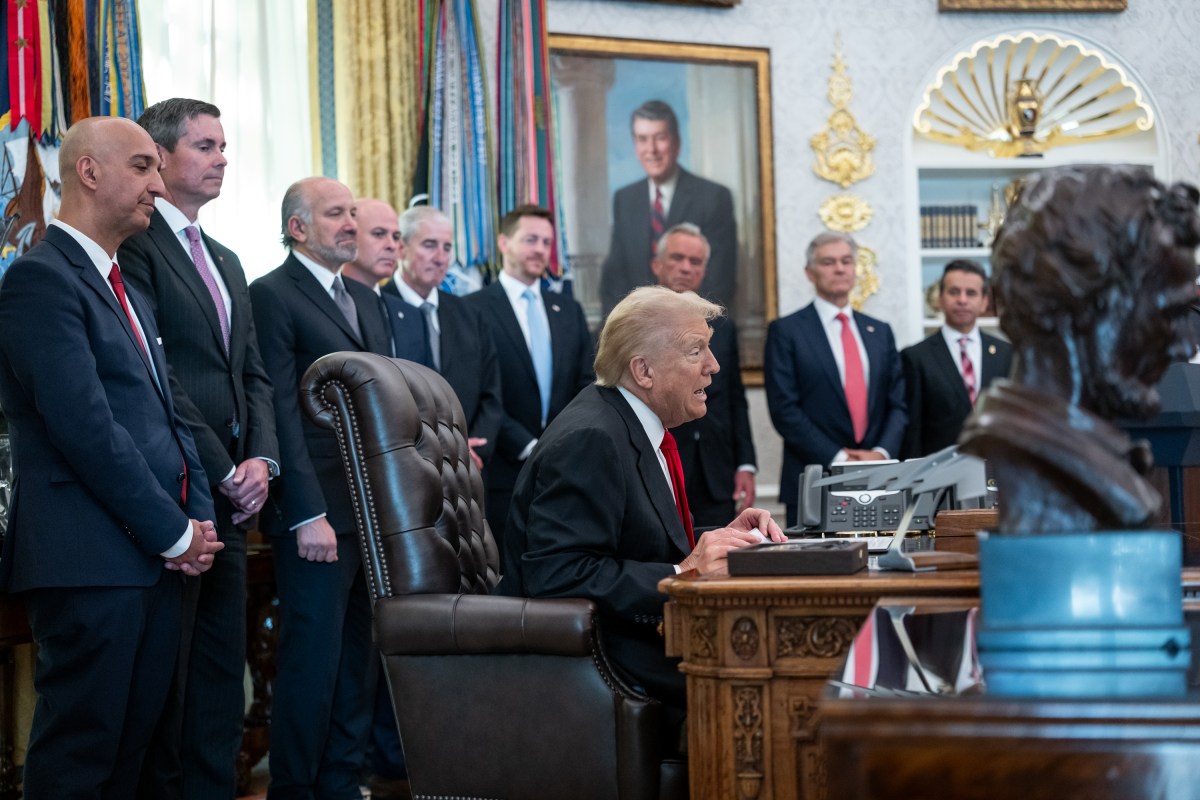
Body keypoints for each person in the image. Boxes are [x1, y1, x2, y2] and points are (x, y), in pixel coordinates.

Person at [0, 116, 222, 798]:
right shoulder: (39, 281)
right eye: (143, 167)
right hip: (91, 564)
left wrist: (199, 520)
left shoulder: (129, 286)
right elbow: (86, 429)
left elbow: (170, 415)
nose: (160, 184)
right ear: (89, 172)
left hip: (155, 561)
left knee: (140, 757)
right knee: (82, 761)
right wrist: (174, 532)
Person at [501, 285, 783, 712]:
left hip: (634, 641)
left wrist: (722, 538)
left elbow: (637, 536)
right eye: (696, 351)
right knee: (772, 675)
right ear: (643, 371)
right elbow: (557, 576)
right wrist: (683, 571)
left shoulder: (625, 421)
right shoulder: (591, 439)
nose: (714, 366)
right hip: (606, 661)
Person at [118, 98, 279, 799]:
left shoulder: (226, 257)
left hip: (235, 495)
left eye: (223, 145)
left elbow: (252, 374)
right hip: (178, 489)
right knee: (170, 676)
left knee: (221, 668)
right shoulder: (137, 247)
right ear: (159, 159)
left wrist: (262, 463)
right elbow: (163, 378)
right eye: (205, 146)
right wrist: (223, 467)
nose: (221, 158)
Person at [249, 177, 393, 799]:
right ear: (298, 227)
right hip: (317, 517)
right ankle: (295, 788)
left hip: (372, 511)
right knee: (312, 660)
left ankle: (342, 781)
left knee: (361, 656)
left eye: (354, 214)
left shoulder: (364, 299)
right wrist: (305, 512)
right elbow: (280, 410)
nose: (351, 226)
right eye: (337, 214)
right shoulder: (271, 294)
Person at [961, 165, 1200, 534]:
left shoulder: (1099, 457)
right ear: (1084, 305)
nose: (1186, 343)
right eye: (1169, 314)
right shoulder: (1045, 464)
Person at [463, 204, 593, 540]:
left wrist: (560, 443)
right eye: (530, 239)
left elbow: (586, 386)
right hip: (503, 471)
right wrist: (526, 445)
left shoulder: (568, 310)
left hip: (566, 470)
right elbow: (478, 391)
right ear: (504, 243)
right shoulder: (471, 309)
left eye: (547, 242)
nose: (540, 249)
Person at [764, 232, 907, 527]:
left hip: (877, 478)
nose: (839, 269)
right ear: (810, 272)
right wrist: (840, 458)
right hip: (813, 478)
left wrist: (880, 454)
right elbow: (784, 410)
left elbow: (898, 404)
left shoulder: (880, 332)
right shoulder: (787, 331)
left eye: (846, 261)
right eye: (828, 262)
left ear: (856, 269)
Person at [382, 205, 503, 472]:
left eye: (447, 248)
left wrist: (472, 448)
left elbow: (491, 394)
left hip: (470, 467)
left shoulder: (470, 314)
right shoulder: (378, 308)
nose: (440, 258)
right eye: (429, 245)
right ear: (401, 248)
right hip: (406, 468)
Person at [652, 223, 756, 525]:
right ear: (657, 264)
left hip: (717, 471)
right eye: (677, 258)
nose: (686, 268)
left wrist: (746, 464)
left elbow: (735, 399)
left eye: (695, 262)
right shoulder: (639, 325)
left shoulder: (722, 326)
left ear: (704, 270)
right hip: (661, 462)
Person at [599, 100, 737, 316]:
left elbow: (720, 280)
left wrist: (679, 329)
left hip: (694, 330)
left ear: (676, 143)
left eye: (660, 138)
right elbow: (615, 277)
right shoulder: (625, 199)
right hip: (638, 331)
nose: (651, 150)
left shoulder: (713, 197)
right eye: (642, 139)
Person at [900, 260, 1012, 458]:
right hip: (938, 476)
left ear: (984, 301)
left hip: (996, 469)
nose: (962, 300)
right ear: (940, 299)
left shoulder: (1006, 353)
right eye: (954, 292)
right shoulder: (915, 357)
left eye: (971, 293)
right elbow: (912, 431)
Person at [340, 197, 428, 364]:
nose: (392, 245)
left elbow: (426, 383)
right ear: (348, 237)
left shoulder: (411, 314)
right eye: (379, 234)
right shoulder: (329, 305)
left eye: (396, 237)